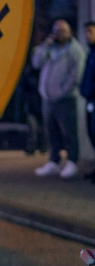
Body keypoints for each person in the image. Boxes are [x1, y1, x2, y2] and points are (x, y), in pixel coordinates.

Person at [32, 18, 85, 179]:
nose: (59, 34)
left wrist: (62, 91)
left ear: (69, 33)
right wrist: (44, 45)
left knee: (69, 132)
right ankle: (53, 162)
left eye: (63, 31)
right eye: (56, 30)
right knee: (51, 132)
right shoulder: (50, 49)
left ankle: (72, 162)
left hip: (65, 99)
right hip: (47, 98)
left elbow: (75, 76)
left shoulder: (75, 51)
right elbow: (36, 63)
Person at [80, 20, 95, 180]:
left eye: (90, 31)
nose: (87, 35)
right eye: (86, 32)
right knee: (92, 133)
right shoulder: (91, 52)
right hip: (90, 99)